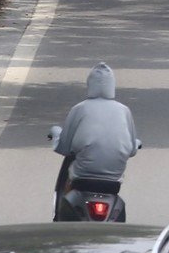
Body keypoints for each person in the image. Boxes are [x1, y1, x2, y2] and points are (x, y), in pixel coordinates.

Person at [53, 63, 139, 205]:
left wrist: (56, 135)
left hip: (82, 176)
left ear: (89, 84)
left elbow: (64, 148)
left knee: (68, 180)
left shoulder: (79, 109)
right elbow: (132, 150)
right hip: (114, 180)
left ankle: (61, 215)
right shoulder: (124, 111)